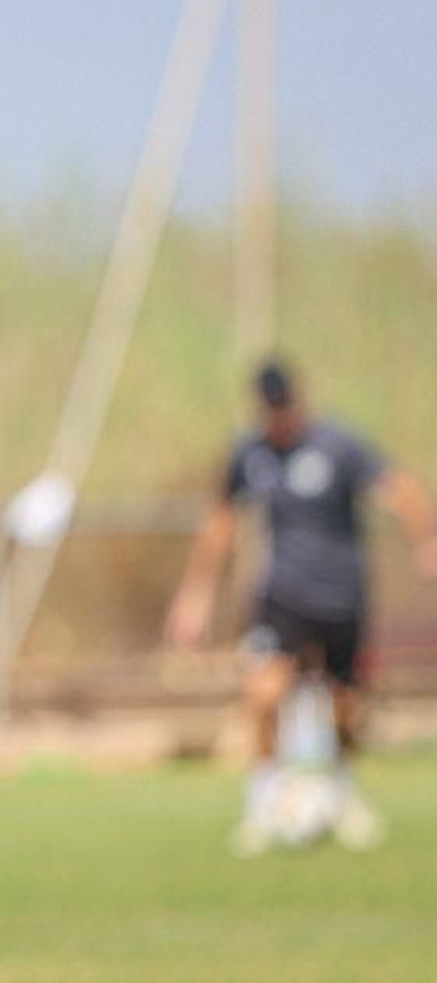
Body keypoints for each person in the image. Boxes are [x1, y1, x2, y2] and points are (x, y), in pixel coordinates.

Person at [166, 360, 437, 855]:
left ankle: (343, 792)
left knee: (345, 709)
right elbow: (221, 521)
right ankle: (262, 802)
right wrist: (195, 596)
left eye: (285, 407)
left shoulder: (339, 445)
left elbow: (397, 487)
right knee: (263, 694)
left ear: (298, 400)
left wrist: (426, 539)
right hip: (282, 597)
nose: (279, 418)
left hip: (342, 595)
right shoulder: (251, 453)